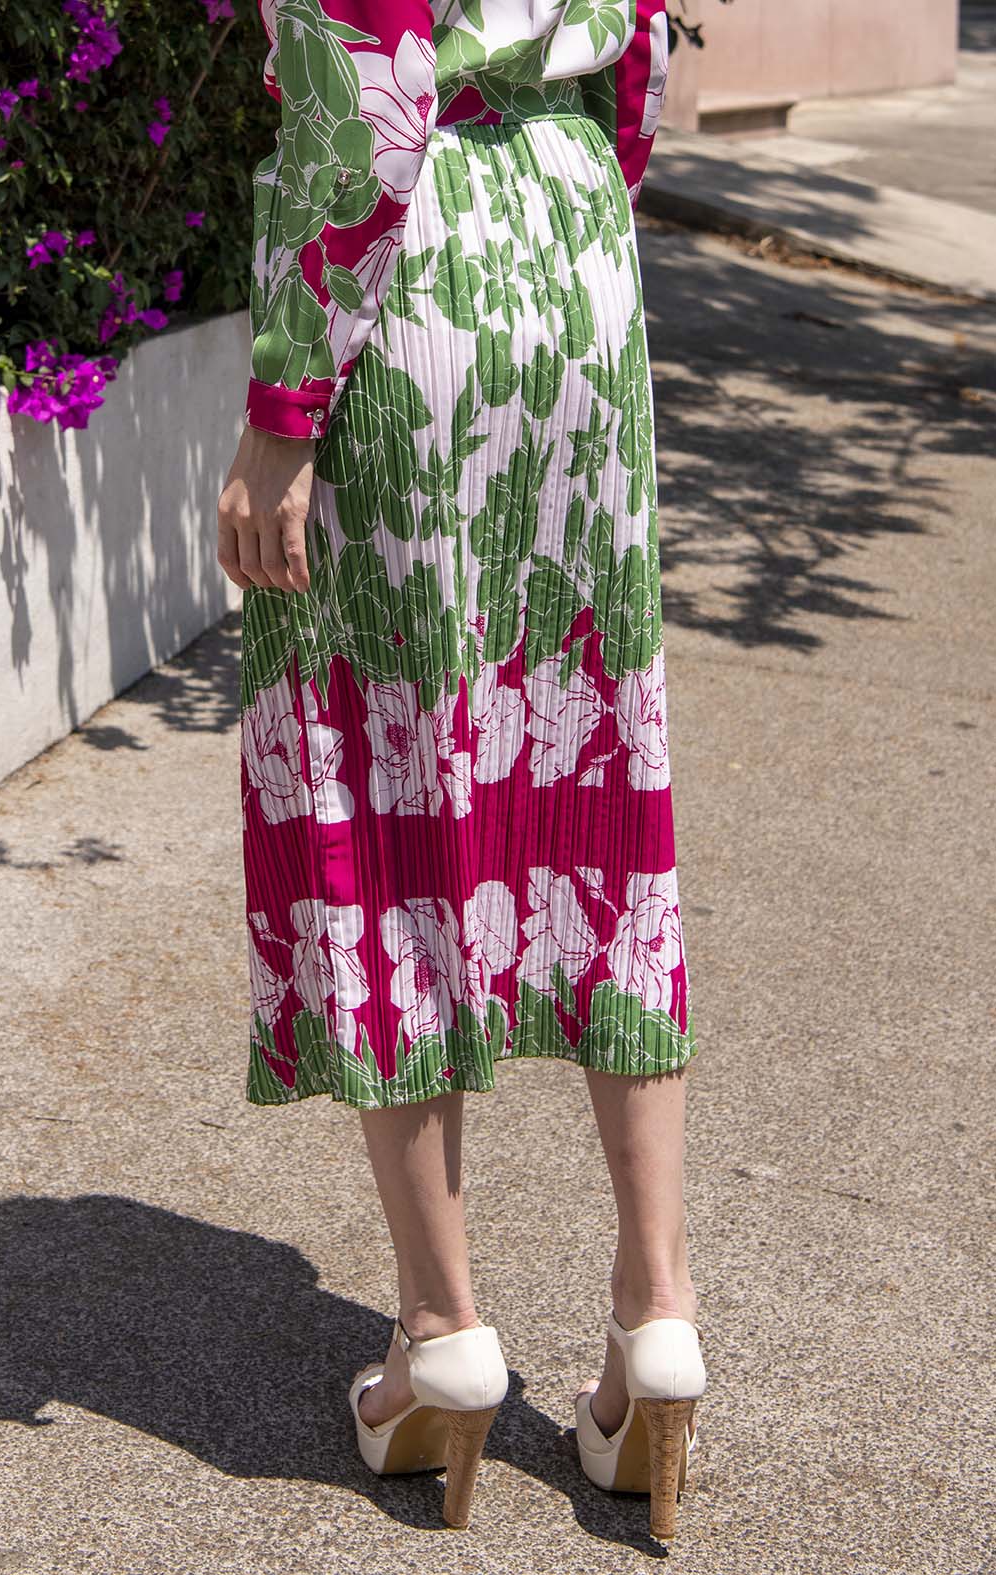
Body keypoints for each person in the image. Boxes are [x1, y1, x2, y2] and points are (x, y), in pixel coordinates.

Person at [217, 0, 706, 1541]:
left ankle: (443, 1333)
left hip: (413, 262)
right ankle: (656, 1314)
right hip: (574, 244)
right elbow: (638, 42)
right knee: (587, 746)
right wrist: (578, 205)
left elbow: (363, 95)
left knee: (387, 770)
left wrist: (285, 407)